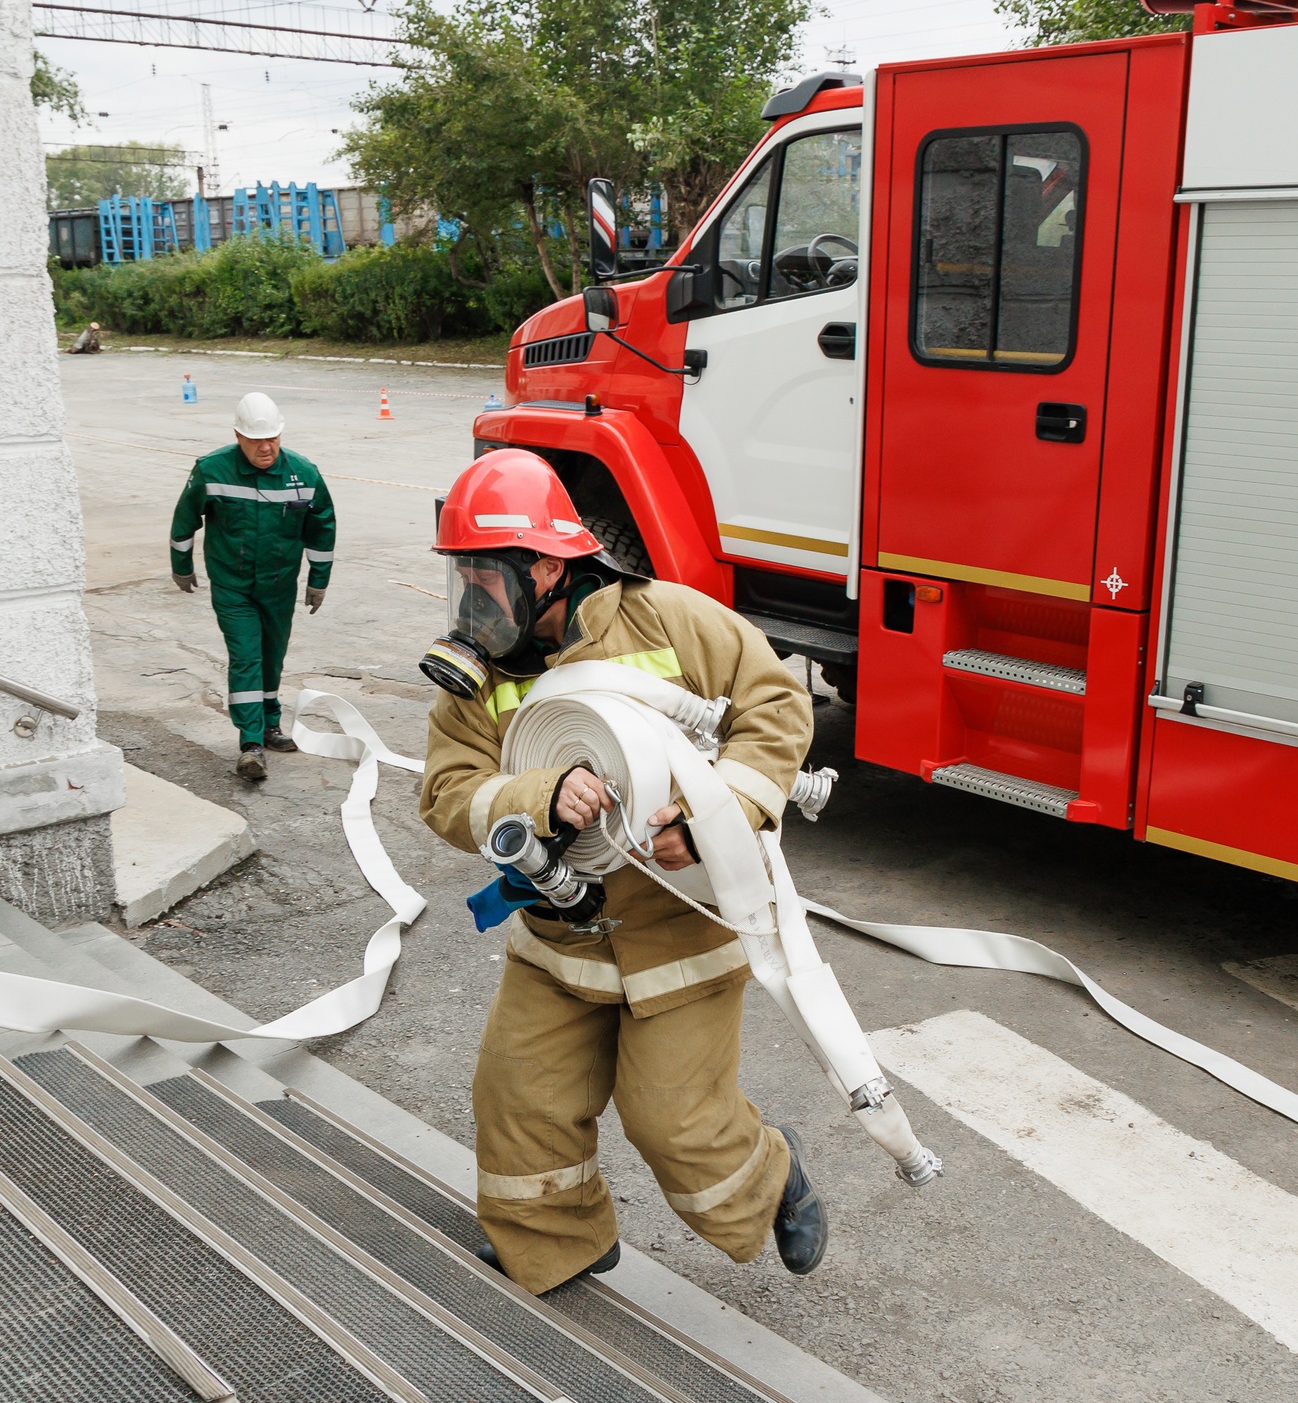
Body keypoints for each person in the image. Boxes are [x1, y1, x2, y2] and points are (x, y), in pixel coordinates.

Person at [416, 448, 829, 1294]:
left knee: (676, 1122)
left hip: (681, 933)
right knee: (518, 1100)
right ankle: (554, 1241)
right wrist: (538, 793)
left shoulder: (669, 623)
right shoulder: (478, 680)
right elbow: (446, 792)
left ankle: (769, 1177)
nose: (471, 595)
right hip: (559, 942)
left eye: (485, 572)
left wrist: (717, 819)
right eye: (463, 572)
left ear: (546, 565)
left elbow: (776, 708)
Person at [169, 392, 335, 780]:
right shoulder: (212, 470)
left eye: (273, 438)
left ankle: (270, 723)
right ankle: (250, 743)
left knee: (272, 654)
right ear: (237, 436)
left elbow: (322, 526)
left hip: (279, 586)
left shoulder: (304, 473)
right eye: (256, 440)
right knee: (247, 656)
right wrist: (181, 565)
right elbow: (185, 518)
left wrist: (318, 581)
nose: (266, 447)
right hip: (233, 586)